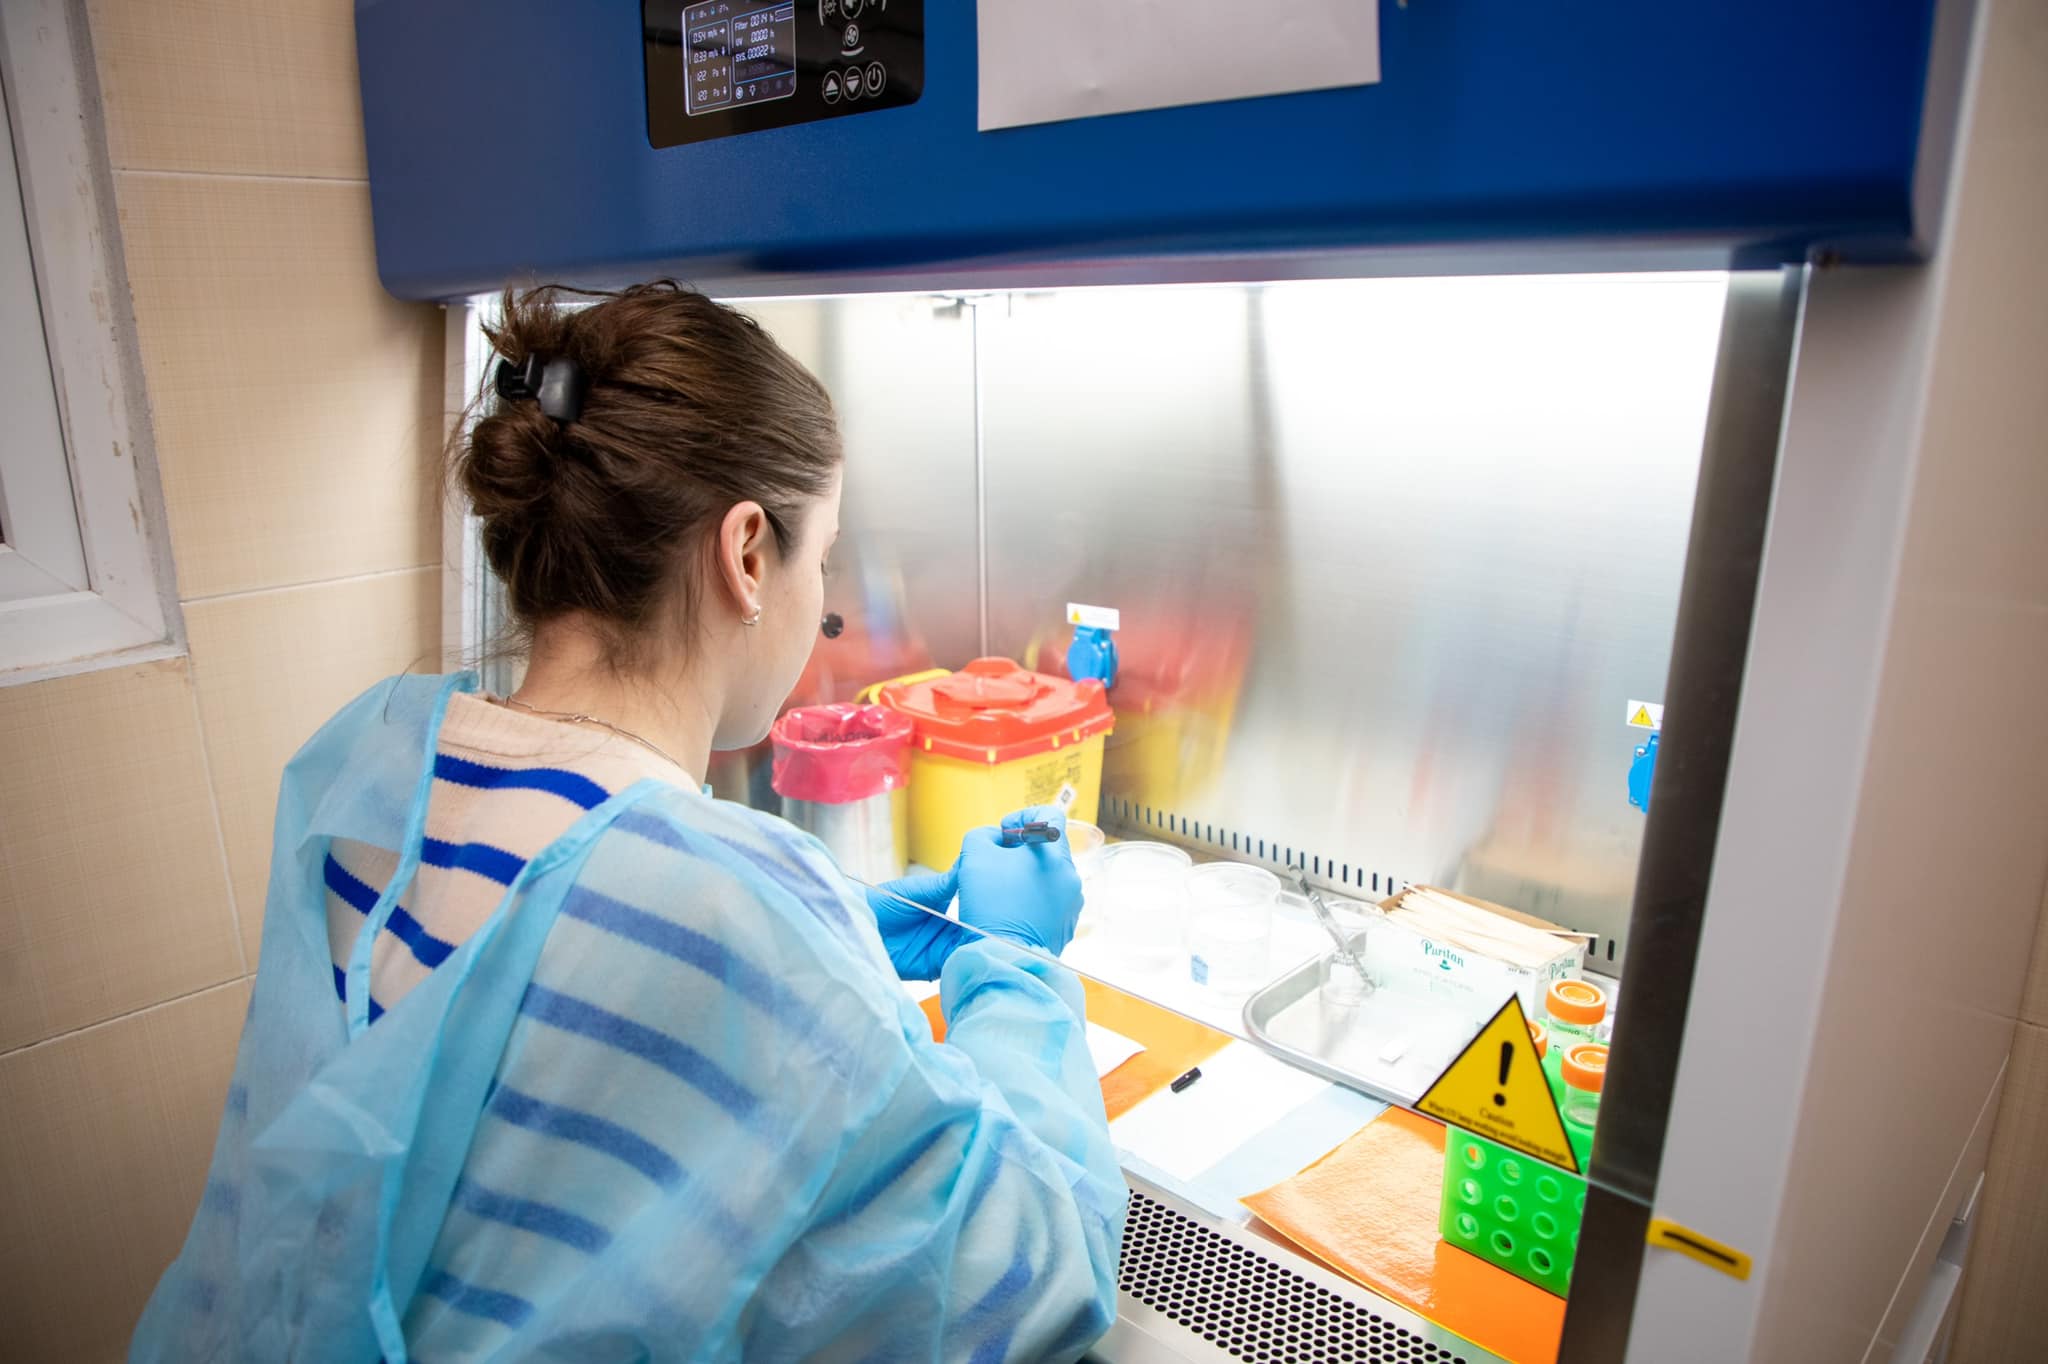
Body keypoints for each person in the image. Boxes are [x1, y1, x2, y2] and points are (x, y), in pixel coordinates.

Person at [131, 282, 1126, 1362]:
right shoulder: (724, 904)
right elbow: (1032, 1276)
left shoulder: (379, 764)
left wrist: (832, 949)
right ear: (747, 554)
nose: (821, 596)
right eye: (823, 557)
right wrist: (1012, 965)